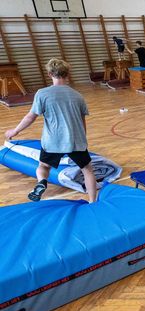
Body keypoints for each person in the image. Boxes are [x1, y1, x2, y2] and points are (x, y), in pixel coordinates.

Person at [4, 58, 97, 203]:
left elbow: (31, 117)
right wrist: (83, 140)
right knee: (87, 170)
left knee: (43, 166)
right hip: (75, 141)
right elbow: (82, 121)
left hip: (53, 141)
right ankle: (93, 202)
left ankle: (42, 182)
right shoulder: (78, 96)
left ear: (49, 74)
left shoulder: (42, 94)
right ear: (68, 74)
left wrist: (15, 131)